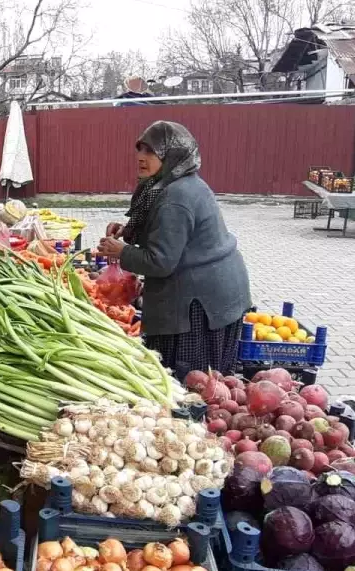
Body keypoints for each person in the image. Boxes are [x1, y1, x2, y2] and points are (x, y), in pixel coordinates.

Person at [96, 120, 252, 378]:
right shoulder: (171, 183)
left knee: (193, 381)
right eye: (140, 149)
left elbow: (161, 261)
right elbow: (169, 233)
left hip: (200, 302)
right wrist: (129, 231)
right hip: (213, 290)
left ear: (173, 155)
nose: (140, 157)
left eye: (151, 151)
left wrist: (122, 252)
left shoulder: (176, 196)